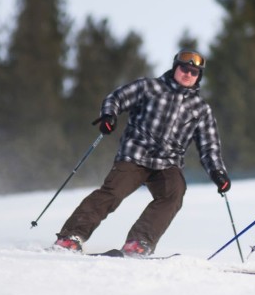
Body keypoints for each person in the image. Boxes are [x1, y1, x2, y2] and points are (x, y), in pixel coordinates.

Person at [52, 50, 230, 256]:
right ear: (175, 68)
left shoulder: (201, 109)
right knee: (113, 193)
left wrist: (218, 173)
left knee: (174, 193)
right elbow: (116, 97)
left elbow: (210, 146)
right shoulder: (149, 87)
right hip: (135, 155)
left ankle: (139, 242)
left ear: (199, 76)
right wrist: (109, 115)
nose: (188, 74)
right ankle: (71, 236)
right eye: (184, 69)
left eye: (194, 72)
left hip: (168, 163)